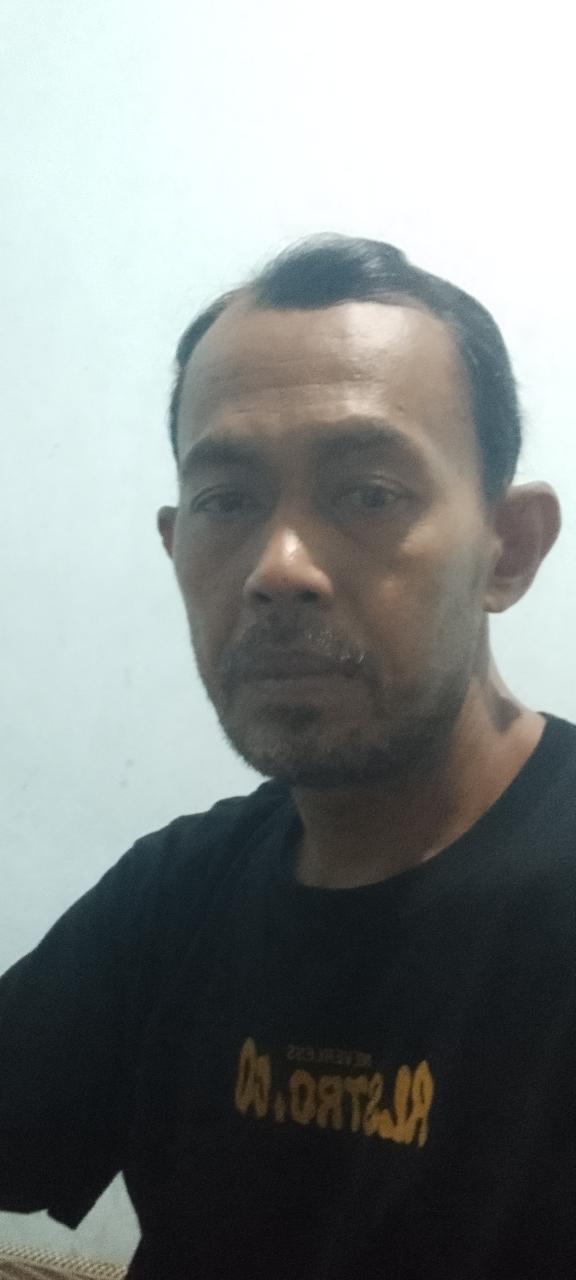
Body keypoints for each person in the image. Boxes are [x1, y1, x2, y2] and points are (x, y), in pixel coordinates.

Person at [1, 233, 574, 1280]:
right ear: (176, 544)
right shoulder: (178, 892)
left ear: (510, 549)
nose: (279, 567)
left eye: (369, 493)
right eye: (227, 501)